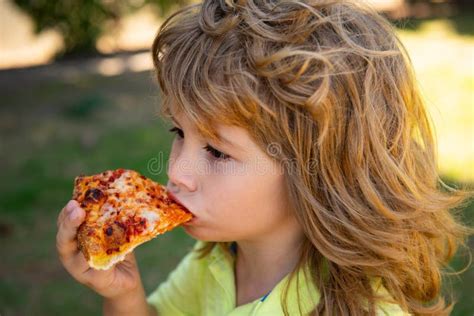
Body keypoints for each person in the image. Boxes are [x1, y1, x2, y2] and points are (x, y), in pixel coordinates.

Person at [55, 0, 473, 315]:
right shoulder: (215, 263)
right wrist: (124, 294)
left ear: (318, 170)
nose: (178, 171)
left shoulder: (361, 307)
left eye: (217, 152)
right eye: (180, 133)